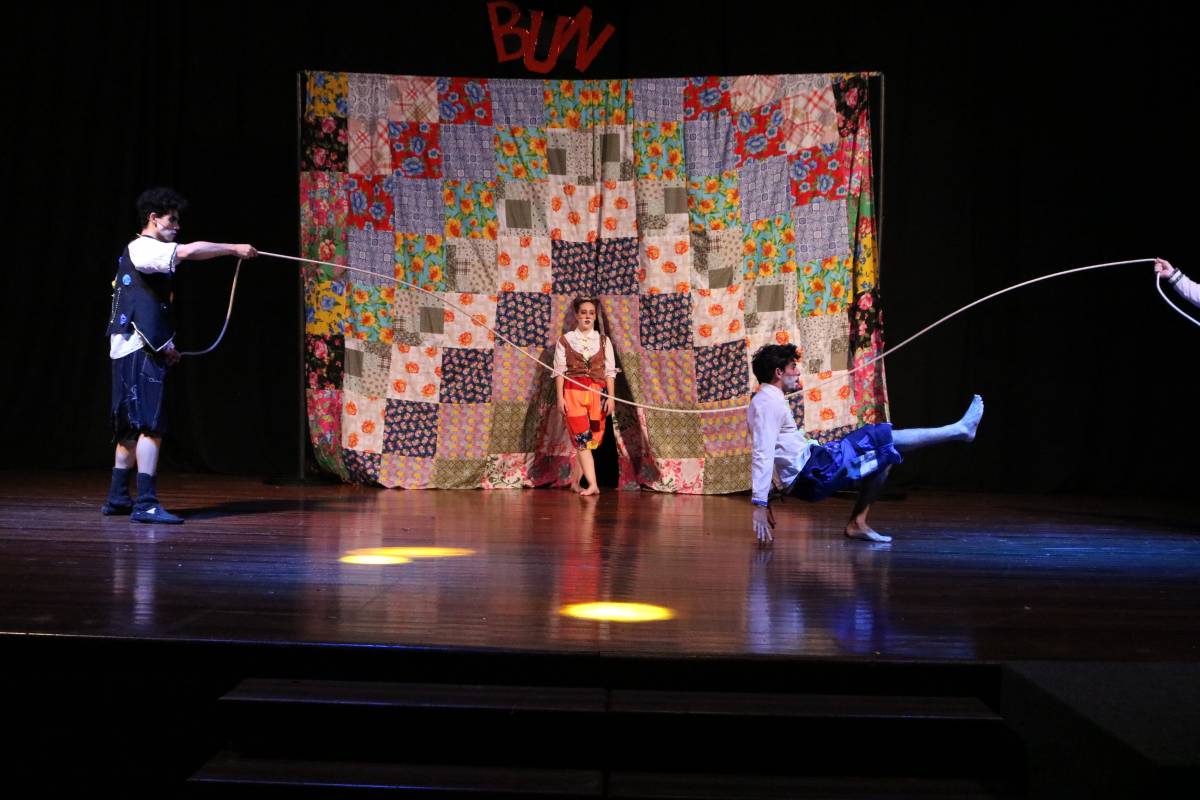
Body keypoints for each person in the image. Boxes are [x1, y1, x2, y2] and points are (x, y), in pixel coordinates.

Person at [103, 187, 257, 524]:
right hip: (137, 349)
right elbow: (187, 252)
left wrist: (166, 346)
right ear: (153, 219)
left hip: (134, 346)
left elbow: (148, 308)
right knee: (149, 425)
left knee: (131, 426)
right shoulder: (143, 247)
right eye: (172, 221)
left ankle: (117, 498)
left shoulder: (145, 253)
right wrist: (233, 249)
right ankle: (145, 503)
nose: (177, 227)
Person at [748, 343, 983, 544]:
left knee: (884, 458)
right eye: (793, 367)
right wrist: (760, 503)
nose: (798, 372)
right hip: (814, 472)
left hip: (815, 465)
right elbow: (763, 452)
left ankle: (858, 523)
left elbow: (776, 451)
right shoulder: (768, 403)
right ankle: (959, 430)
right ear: (778, 372)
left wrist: (769, 495)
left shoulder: (769, 399)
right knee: (878, 436)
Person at [554, 297, 616, 496]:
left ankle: (575, 482)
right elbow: (559, 371)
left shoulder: (604, 341)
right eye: (583, 312)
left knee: (592, 441)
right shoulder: (565, 340)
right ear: (576, 315)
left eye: (591, 313)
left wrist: (611, 397)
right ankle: (593, 485)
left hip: (598, 394)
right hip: (573, 393)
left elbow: (610, 372)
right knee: (582, 440)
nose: (587, 316)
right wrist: (560, 397)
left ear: (595, 316)